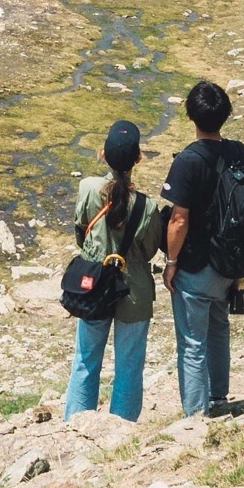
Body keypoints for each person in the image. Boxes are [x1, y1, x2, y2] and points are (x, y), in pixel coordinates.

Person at [160, 79, 244, 415]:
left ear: (191, 116)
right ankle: (219, 398)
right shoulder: (239, 152)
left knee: (191, 343)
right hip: (230, 263)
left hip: (197, 265)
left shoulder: (187, 161)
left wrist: (170, 262)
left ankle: (196, 415)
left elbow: (178, 220)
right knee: (219, 329)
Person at [63, 118, 160, 418]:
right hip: (134, 290)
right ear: (138, 159)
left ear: (102, 153)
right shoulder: (148, 206)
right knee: (129, 367)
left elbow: (81, 233)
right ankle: (121, 431)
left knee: (85, 360)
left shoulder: (88, 188)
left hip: (94, 285)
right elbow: (150, 250)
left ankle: (76, 426)